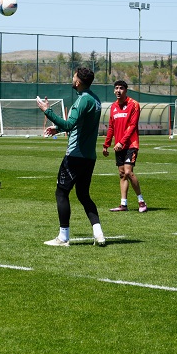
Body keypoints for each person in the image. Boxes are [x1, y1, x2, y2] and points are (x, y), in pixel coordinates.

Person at [36, 67, 106, 247]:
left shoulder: (83, 100)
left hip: (75, 155)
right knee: (83, 194)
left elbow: (69, 125)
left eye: (74, 76)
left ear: (78, 81)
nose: (72, 78)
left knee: (61, 192)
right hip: (89, 156)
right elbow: (78, 125)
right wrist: (56, 129)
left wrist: (47, 110)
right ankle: (99, 234)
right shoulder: (95, 99)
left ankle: (63, 237)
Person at [102, 80, 148, 213]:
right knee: (122, 174)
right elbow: (111, 126)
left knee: (128, 172)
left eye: (121, 88)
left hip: (131, 144)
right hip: (118, 146)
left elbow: (132, 126)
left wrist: (121, 142)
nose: (118, 90)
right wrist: (106, 144)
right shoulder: (113, 107)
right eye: (116, 88)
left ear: (126, 90)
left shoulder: (134, 105)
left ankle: (141, 201)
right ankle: (123, 204)